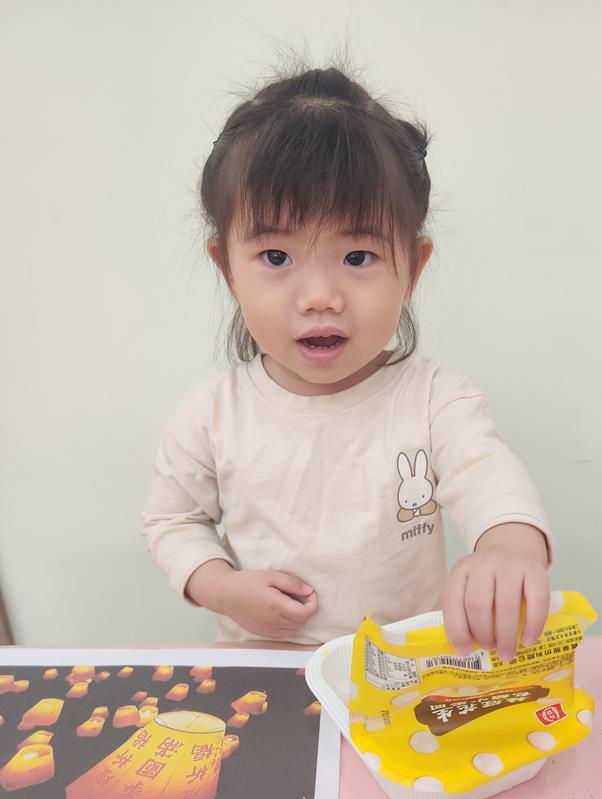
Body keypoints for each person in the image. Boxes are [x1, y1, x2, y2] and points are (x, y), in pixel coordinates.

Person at [141, 58, 553, 662]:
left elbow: (490, 481)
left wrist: (508, 549)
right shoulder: (211, 415)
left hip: (404, 675)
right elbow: (173, 522)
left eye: (358, 257)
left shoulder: (437, 401)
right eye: (276, 257)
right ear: (226, 268)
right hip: (269, 666)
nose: (319, 297)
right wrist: (222, 588)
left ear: (412, 268)